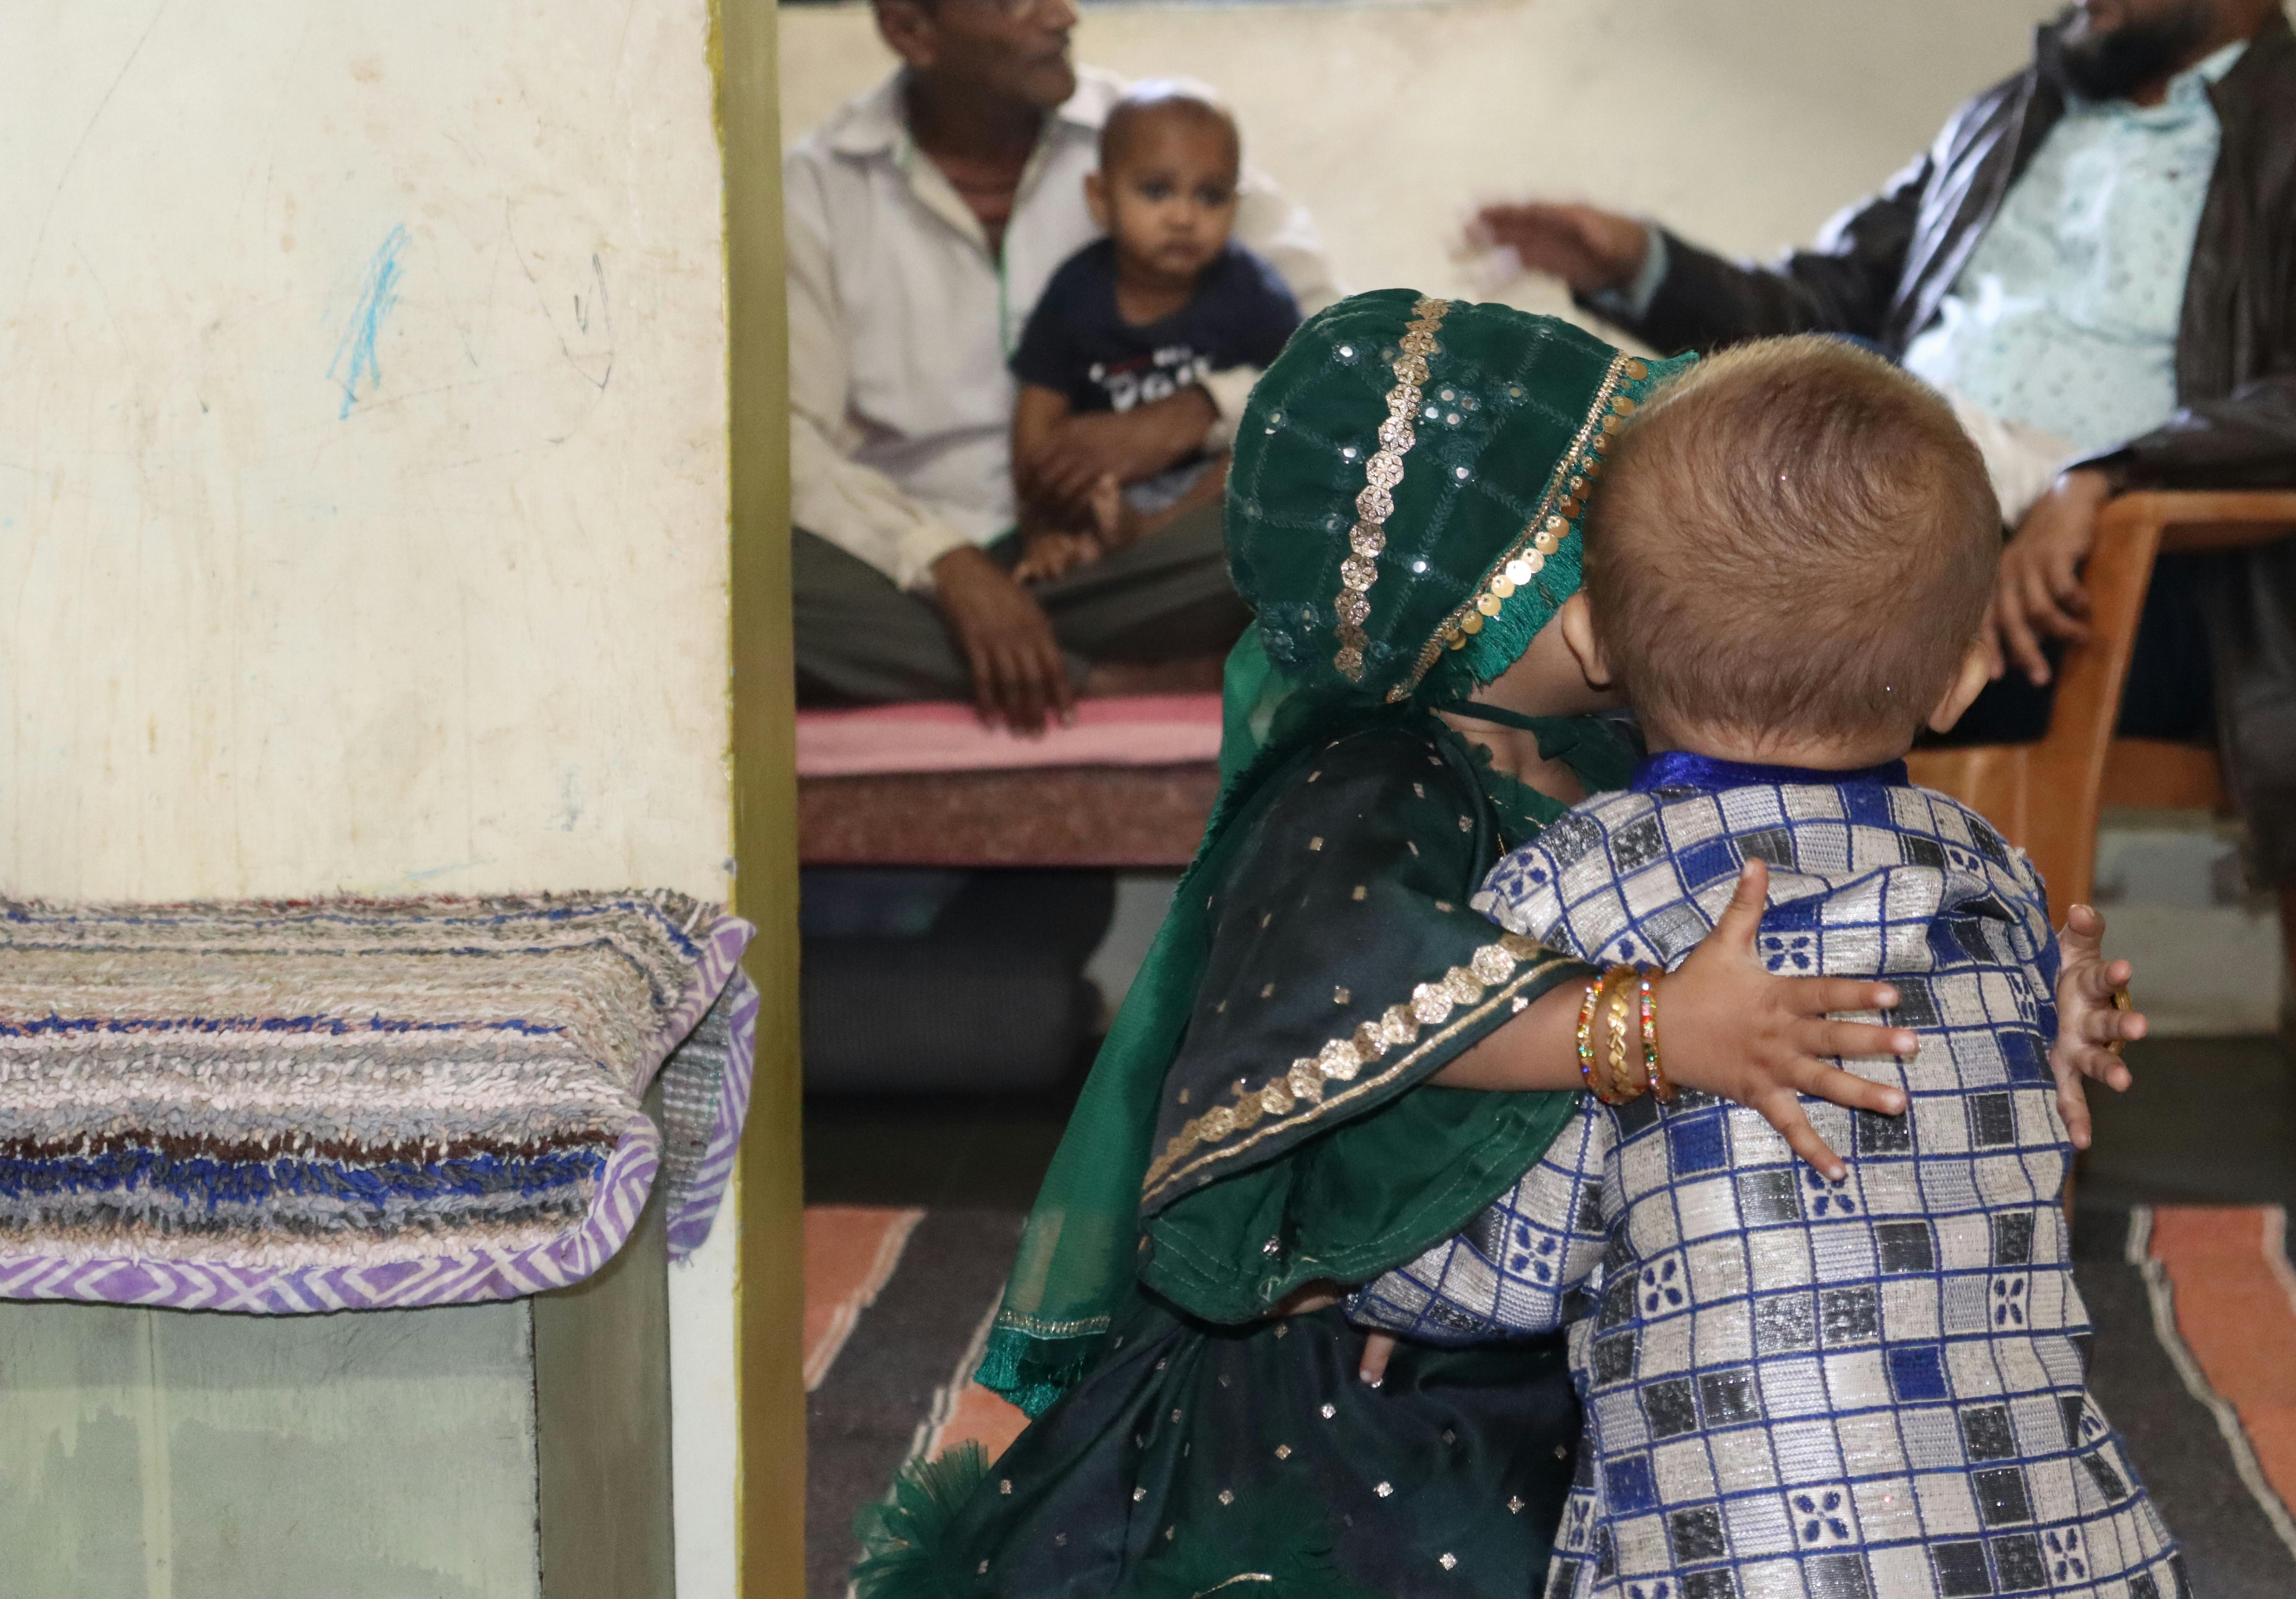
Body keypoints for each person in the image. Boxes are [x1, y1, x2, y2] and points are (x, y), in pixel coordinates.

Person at [853, 296, 2131, 1599]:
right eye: (1593, 532)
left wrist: (2027, 1013)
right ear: (1492, 583)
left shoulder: (1626, 811)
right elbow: (1337, 1016)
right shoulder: (1368, 786)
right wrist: (1645, 1026)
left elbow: (1581, 1193)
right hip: (1339, 1343)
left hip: (1573, 1322)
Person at [1352, 338, 2178, 1599]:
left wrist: (1381, 1283)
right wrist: (2054, 1024)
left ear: (1589, 637)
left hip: (1731, 1552)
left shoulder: (1567, 889)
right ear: (1960, 679)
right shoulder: (1989, 872)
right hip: (2049, 1552)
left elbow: (1527, 1234)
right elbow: (2007, 1135)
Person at [1472, 0, 2296, 884]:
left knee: (1777, 505)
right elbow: (1822, 306)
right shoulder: (2009, 116)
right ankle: (1538, 898)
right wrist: (1643, 266)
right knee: (1775, 409)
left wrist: (2108, 479)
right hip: (1903, 522)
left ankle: (1582, 913)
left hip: (2135, 579)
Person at [785, 0, 1340, 732]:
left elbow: (1344, 354)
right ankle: (1103, 679)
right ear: (912, 30)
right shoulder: (817, 191)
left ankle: (1001, 663)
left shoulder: (1159, 135)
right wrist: (943, 561)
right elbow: (787, 441)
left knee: (1350, 494)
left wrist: (1204, 408)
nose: (1064, 12)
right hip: (912, 580)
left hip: (1133, 559)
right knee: (748, 568)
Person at [1008, 83, 1303, 584]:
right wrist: (1042, 528)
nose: (1184, 218)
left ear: (1236, 204)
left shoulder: (1250, 289)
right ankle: (1099, 540)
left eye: (1210, 196)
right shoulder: (1076, 292)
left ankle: (1153, 531)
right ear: (1101, 198)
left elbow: (1304, 386)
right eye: (1156, 191)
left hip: (1211, 496)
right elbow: (1035, 423)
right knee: (1070, 485)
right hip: (1104, 488)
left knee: (1266, 455)